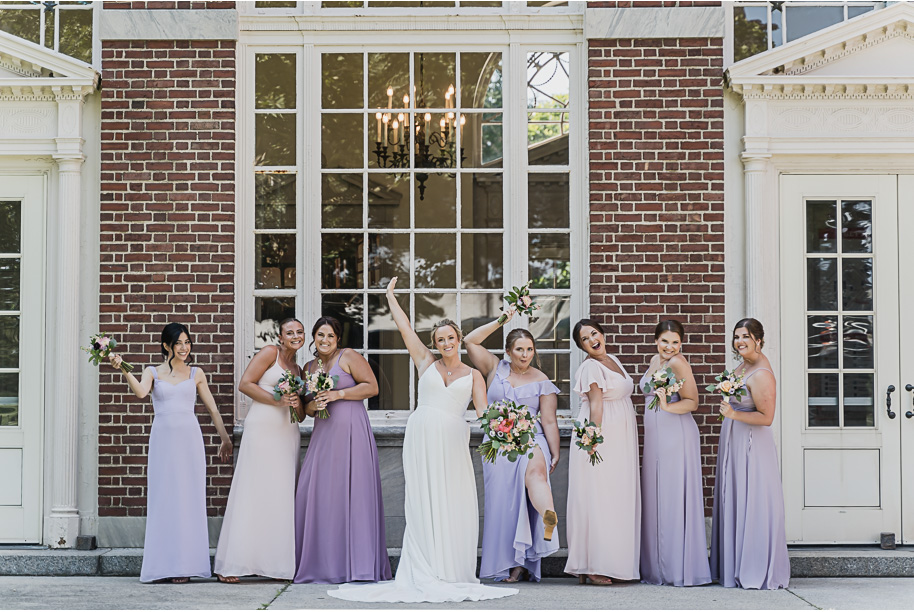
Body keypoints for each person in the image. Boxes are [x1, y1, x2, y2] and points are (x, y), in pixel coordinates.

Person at [328, 277, 517, 603]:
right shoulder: (426, 362)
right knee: (422, 502)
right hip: (421, 438)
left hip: (452, 443)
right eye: (440, 339)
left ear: (459, 339)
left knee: (451, 500)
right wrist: (390, 296)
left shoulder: (473, 376)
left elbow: (484, 414)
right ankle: (424, 565)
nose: (446, 343)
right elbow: (404, 330)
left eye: (451, 338)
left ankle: (450, 569)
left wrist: (507, 432)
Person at [109, 322, 232, 584]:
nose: (184, 347)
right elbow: (142, 392)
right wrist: (123, 369)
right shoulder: (152, 371)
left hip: (189, 440)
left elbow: (212, 409)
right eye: (179, 343)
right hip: (163, 440)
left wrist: (225, 440)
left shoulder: (196, 373)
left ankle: (186, 565)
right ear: (167, 345)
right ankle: (164, 564)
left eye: (187, 342)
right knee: (165, 497)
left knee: (189, 499)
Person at [464, 312, 560, 583]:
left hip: (530, 438)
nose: (525, 354)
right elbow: (470, 341)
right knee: (503, 504)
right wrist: (503, 319)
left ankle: (547, 516)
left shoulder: (542, 380)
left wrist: (555, 452)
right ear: (508, 351)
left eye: (530, 349)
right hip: (497, 443)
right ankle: (514, 565)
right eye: (520, 349)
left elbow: (549, 421)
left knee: (536, 477)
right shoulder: (495, 367)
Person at [294, 316, 391, 584]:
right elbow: (308, 409)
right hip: (324, 434)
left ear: (338, 340)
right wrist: (315, 404)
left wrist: (338, 394)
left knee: (355, 493)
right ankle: (322, 563)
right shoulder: (308, 367)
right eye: (320, 335)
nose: (325, 341)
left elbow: (372, 387)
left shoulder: (348, 357)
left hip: (351, 430)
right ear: (314, 337)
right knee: (314, 493)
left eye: (330, 336)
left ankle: (357, 565)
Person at [213, 318, 304, 582]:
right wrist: (278, 399)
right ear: (281, 336)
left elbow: (300, 414)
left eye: (299, 332)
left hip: (287, 433)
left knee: (280, 495)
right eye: (290, 332)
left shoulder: (298, 369)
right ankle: (231, 564)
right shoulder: (269, 354)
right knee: (251, 491)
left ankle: (276, 564)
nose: (295, 336)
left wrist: (296, 402)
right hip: (262, 429)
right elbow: (245, 384)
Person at [711, 318, 790, 590]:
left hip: (753, 444)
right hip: (736, 439)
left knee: (752, 500)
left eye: (745, 336)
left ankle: (755, 567)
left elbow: (767, 417)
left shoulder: (762, 374)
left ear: (759, 339)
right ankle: (734, 565)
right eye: (736, 336)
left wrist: (732, 413)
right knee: (737, 498)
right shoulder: (744, 365)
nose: (739, 341)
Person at [565, 319, 640, 586]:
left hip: (621, 438)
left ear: (602, 333)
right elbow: (596, 405)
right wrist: (593, 437)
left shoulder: (614, 359)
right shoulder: (589, 368)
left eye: (594, 333)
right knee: (598, 497)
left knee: (616, 497)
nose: (592, 340)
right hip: (601, 436)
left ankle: (609, 561)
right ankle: (593, 564)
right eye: (585, 339)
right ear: (581, 346)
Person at [639, 320, 711, 587]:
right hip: (656, 438)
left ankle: (677, 568)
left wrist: (667, 408)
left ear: (681, 344)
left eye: (675, 342)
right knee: (657, 497)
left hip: (676, 435)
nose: (670, 347)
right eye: (665, 341)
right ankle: (657, 567)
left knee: (672, 497)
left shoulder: (679, 363)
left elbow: (693, 401)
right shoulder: (653, 360)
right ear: (656, 340)